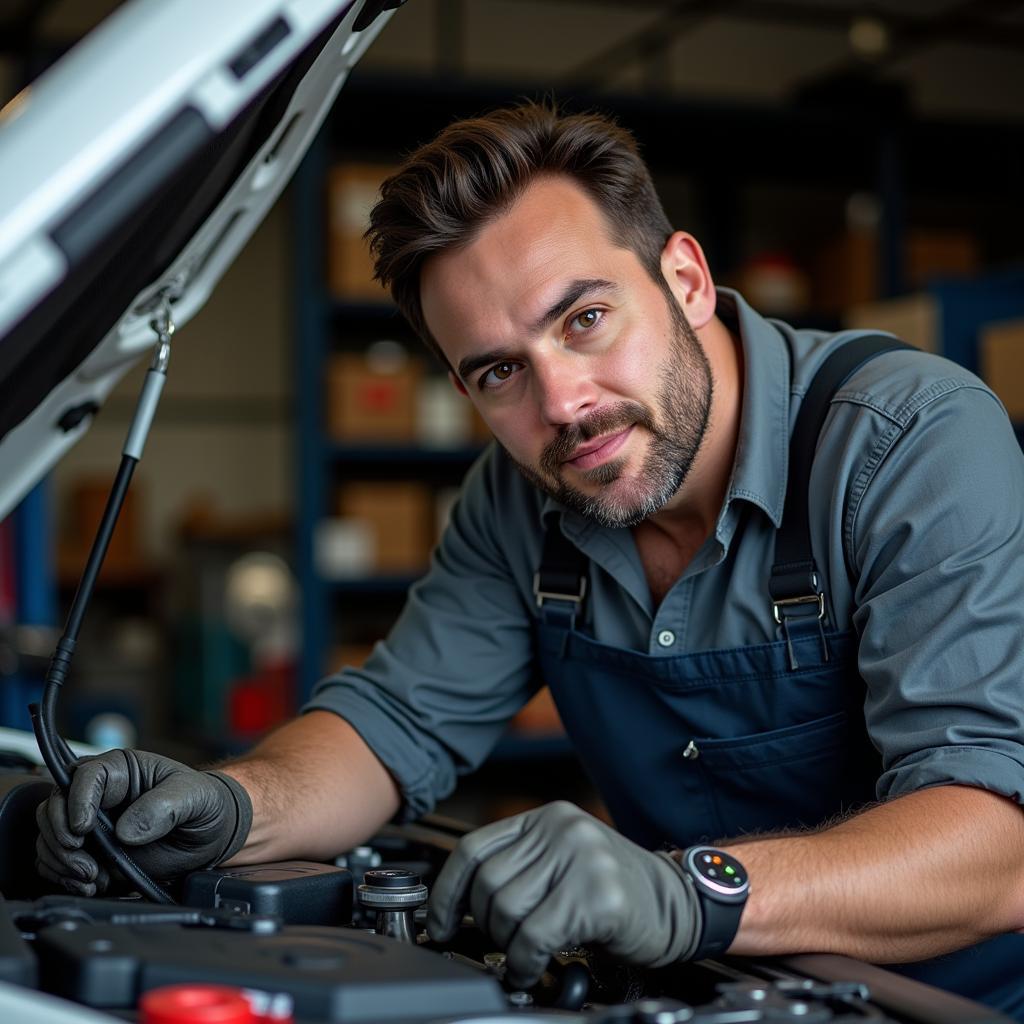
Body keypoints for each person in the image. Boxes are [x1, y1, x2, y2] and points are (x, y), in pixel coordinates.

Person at [36, 103, 1024, 1014]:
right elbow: (395, 725)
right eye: (500, 371)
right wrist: (237, 804)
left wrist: (684, 893)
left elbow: (993, 846)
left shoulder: (904, 443)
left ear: (682, 280)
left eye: (583, 319)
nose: (560, 402)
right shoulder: (522, 499)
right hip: (713, 992)